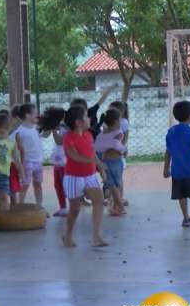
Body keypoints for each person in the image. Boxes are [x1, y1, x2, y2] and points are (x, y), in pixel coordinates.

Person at [62, 106, 107, 248]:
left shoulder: (88, 134)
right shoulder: (68, 138)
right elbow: (73, 156)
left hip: (90, 175)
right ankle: (68, 235)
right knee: (75, 209)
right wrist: (92, 161)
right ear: (78, 122)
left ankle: (96, 236)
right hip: (73, 178)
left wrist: (99, 166)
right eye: (86, 116)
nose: (89, 119)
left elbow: (92, 153)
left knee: (99, 201)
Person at [94, 109, 127, 216]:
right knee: (116, 185)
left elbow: (98, 147)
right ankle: (117, 206)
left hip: (107, 162)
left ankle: (119, 207)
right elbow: (117, 146)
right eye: (119, 120)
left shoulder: (101, 134)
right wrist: (124, 149)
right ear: (116, 121)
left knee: (112, 185)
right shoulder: (118, 132)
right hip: (117, 162)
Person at [39, 107, 68, 217]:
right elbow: (44, 135)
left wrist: (54, 129)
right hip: (58, 161)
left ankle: (75, 205)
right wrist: (49, 128)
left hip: (66, 162)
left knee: (67, 186)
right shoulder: (59, 127)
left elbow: (59, 141)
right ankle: (63, 208)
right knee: (58, 185)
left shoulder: (67, 128)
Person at [16, 103, 44, 207]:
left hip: (38, 161)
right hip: (27, 161)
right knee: (25, 185)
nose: (37, 115)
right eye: (35, 113)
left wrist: (52, 126)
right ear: (27, 115)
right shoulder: (20, 131)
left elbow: (45, 134)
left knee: (38, 184)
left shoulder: (36, 128)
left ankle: (39, 206)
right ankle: (20, 206)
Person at [109, 100, 130, 206]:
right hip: (110, 154)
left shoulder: (123, 122)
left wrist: (122, 148)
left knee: (117, 177)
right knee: (112, 178)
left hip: (117, 154)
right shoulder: (109, 122)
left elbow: (125, 137)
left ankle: (119, 198)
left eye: (111, 110)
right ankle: (115, 198)